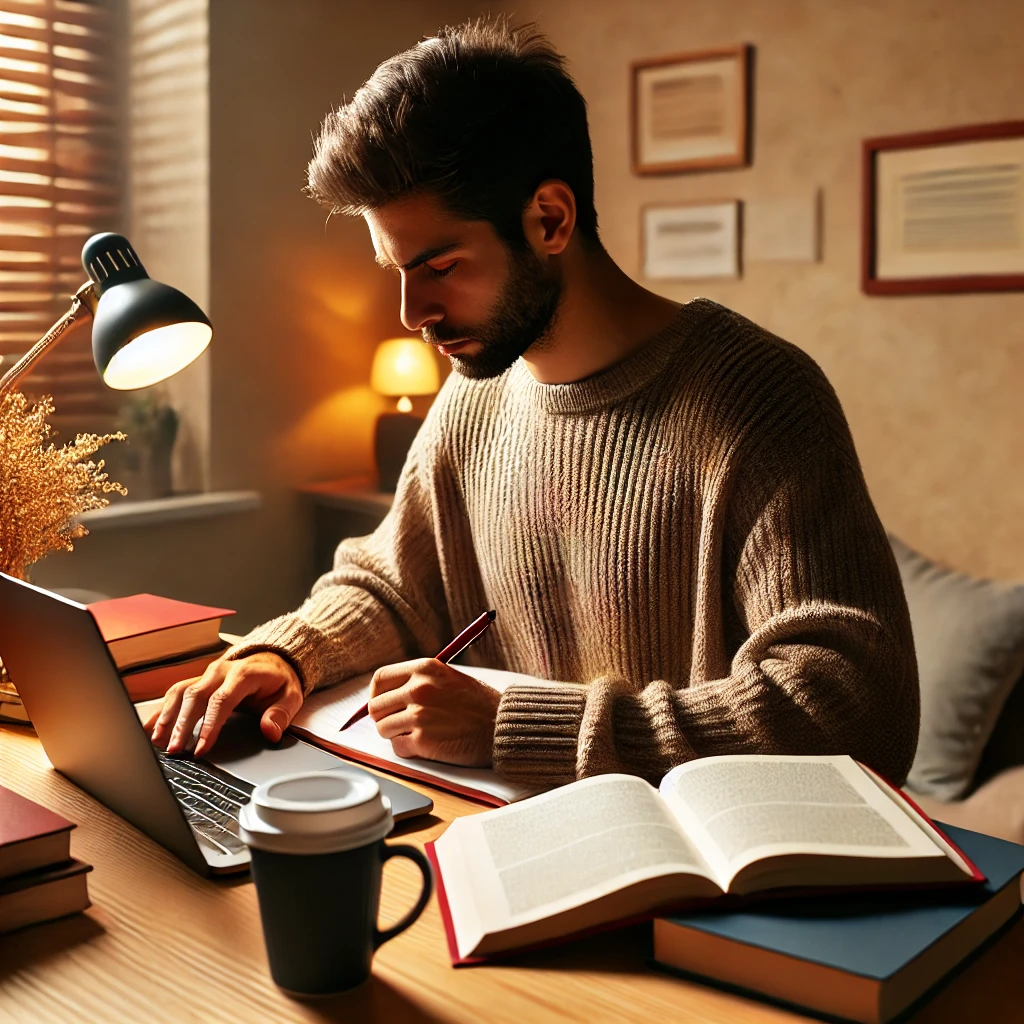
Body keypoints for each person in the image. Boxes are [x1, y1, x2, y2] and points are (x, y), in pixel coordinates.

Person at [148, 17, 919, 787]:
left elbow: (856, 708)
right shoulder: (472, 402)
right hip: (505, 832)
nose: (412, 313)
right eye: (397, 270)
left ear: (550, 219)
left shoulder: (760, 398)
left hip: (692, 857)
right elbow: (393, 586)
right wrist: (289, 651)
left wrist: (515, 726)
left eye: (440, 266)